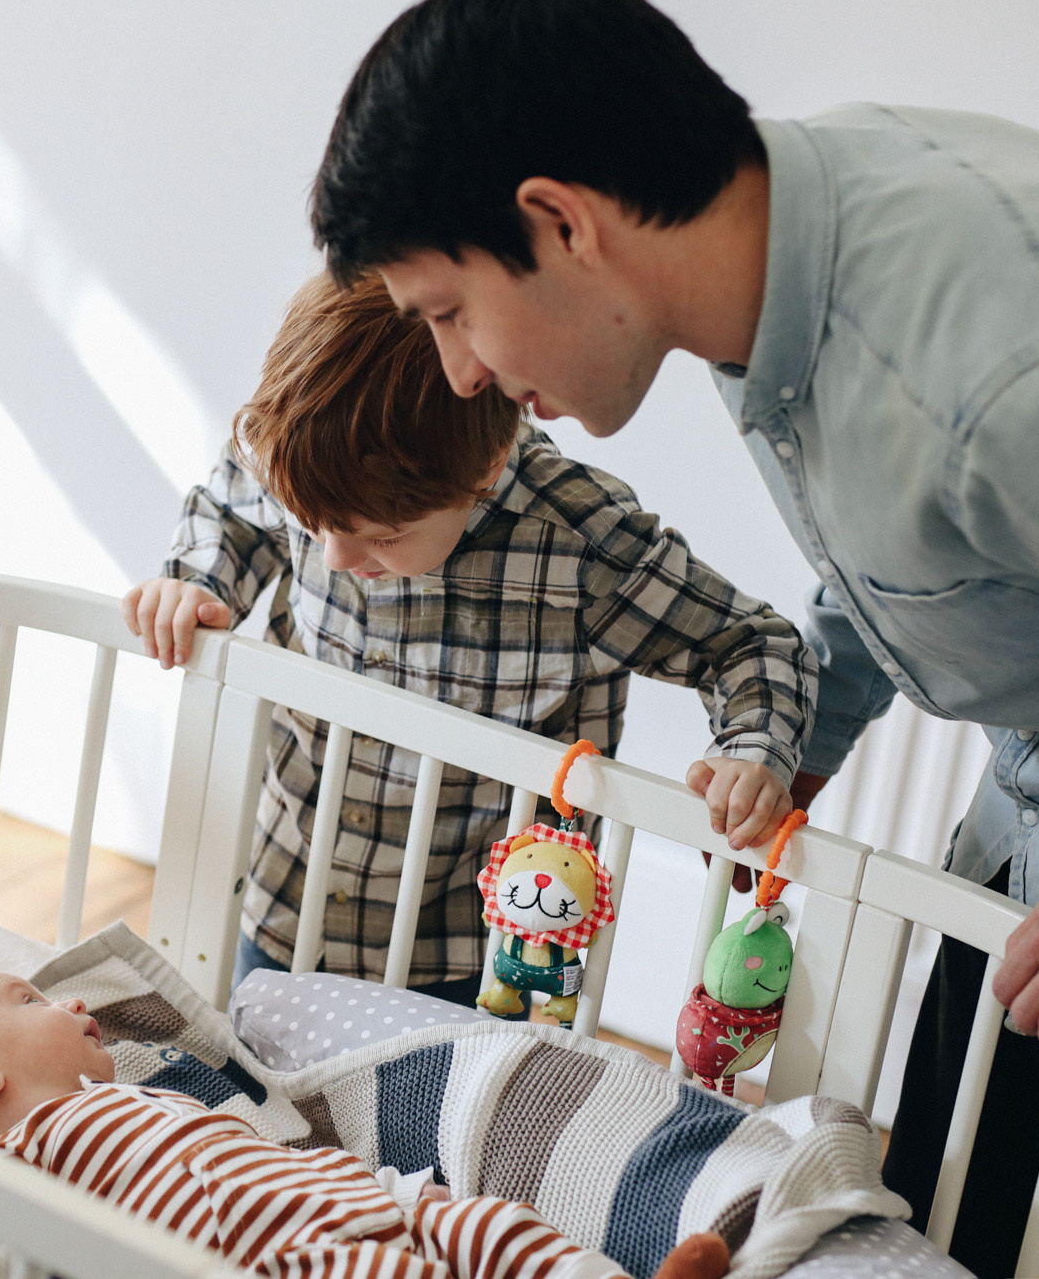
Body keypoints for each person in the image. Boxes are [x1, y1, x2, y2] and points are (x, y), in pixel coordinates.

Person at [306, 0, 1039, 1276]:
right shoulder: (764, 266)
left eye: (447, 314)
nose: (463, 372)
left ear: (561, 223)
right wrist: (811, 720)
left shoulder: (1016, 383)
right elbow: (907, 534)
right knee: (933, 1229)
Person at [123, 272, 814, 1004]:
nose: (334, 557)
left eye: (383, 537)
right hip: (291, 890)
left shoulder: (581, 543)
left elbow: (754, 645)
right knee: (266, 1092)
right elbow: (226, 512)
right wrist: (195, 583)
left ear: (484, 471)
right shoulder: (298, 448)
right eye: (311, 523)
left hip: (474, 950)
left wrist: (750, 751)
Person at [0, 973, 733, 1279]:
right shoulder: (7, 1171)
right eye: (30, 999)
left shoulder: (152, 1093)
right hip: (271, 1255)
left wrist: (383, 1189)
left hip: (360, 1195)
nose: (66, 1001)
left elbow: (262, 1140)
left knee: (489, 1222)